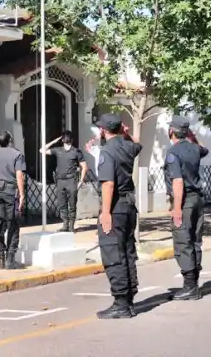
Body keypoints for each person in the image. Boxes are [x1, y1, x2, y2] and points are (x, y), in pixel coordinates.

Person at [95, 113, 141, 319]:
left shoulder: (107, 150)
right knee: (128, 252)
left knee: (114, 253)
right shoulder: (127, 146)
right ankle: (129, 299)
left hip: (115, 206)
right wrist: (127, 135)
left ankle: (121, 303)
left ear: (104, 131)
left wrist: (105, 212)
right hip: (129, 205)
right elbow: (137, 145)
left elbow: (108, 183)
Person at [164, 116, 209, 300]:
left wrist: (176, 207)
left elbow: (177, 181)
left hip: (185, 201)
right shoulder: (194, 149)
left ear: (171, 131)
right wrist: (193, 137)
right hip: (197, 199)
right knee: (195, 241)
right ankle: (194, 283)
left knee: (183, 241)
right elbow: (204, 149)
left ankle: (190, 286)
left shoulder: (173, 152)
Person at [0, 131, 27, 270]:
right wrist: (22, 194)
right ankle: (10, 259)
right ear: (10, 140)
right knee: (13, 224)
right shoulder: (17, 154)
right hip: (11, 192)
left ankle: (1, 259)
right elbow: (19, 175)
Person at [41, 131, 88, 232]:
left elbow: (84, 166)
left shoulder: (76, 152)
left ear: (71, 139)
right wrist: (55, 141)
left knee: (72, 204)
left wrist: (81, 181)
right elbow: (42, 150)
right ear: (62, 139)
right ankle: (65, 225)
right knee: (62, 204)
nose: (66, 139)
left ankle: (71, 226)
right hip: (60, 180)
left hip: (71, 180)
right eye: (64, 138)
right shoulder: (58, 150)